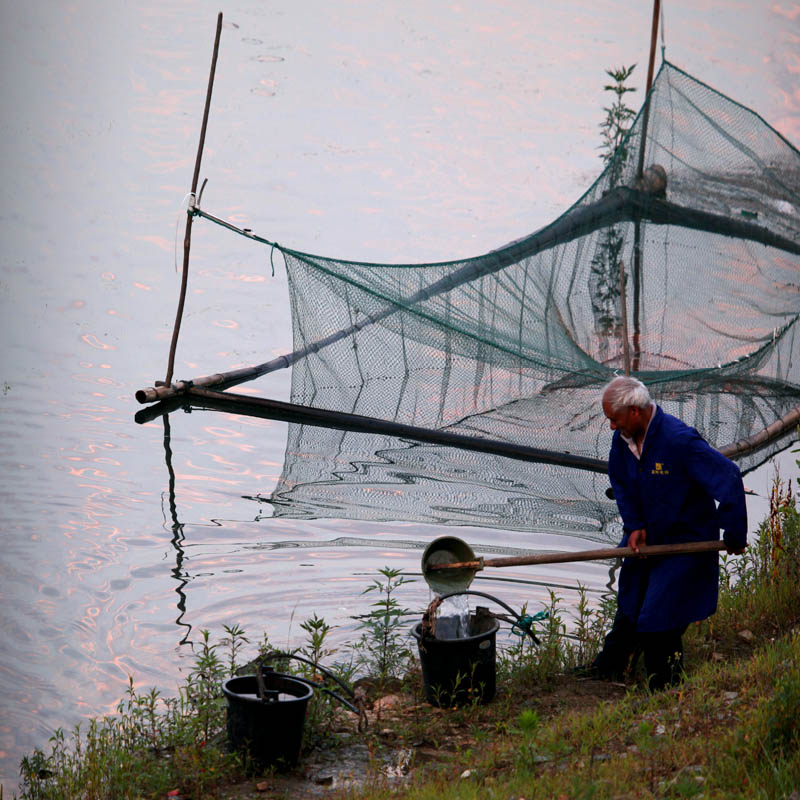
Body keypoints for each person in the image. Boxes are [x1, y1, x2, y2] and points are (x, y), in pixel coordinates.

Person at [589, 376, 747, 690]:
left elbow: (728, 476)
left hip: (685, 542)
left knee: (659, 618)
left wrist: (734, 532)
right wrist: (634, 525)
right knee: (631, 602)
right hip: (648, 537)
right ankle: (610, 668)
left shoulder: (679, 441)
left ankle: (666, 688)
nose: (611, 426)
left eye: (614, 419)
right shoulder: (623, 440)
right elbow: (620, 482)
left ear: (634, 411)